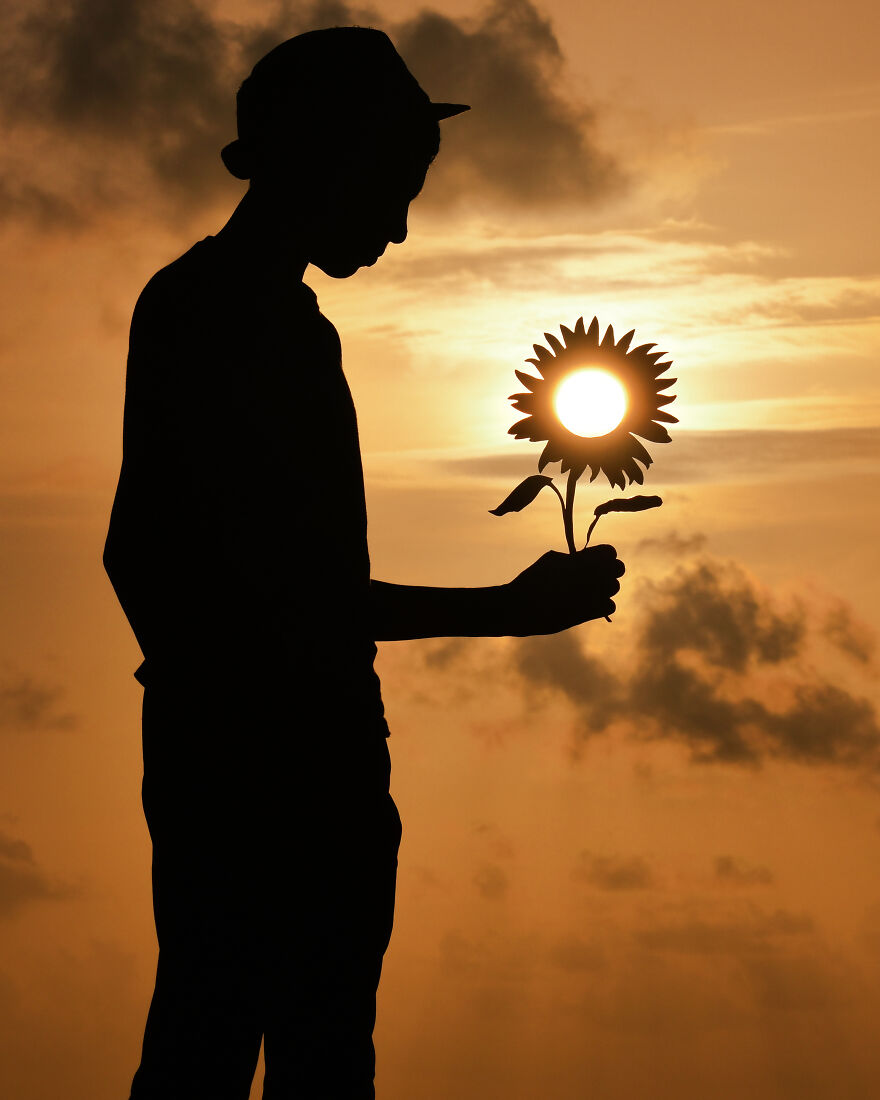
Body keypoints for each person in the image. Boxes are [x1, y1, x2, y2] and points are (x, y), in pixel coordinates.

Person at [104, 26, 624, 1100]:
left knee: (252, 1040)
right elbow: (245, 588)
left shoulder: (238, 316)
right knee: (263, 1046)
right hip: (271, 769)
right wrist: (505, 613)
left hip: (277, 754)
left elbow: (170, 567)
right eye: (391, 186)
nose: (396, 225)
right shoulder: (235, 323)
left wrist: (219, 685)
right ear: (325, 159)